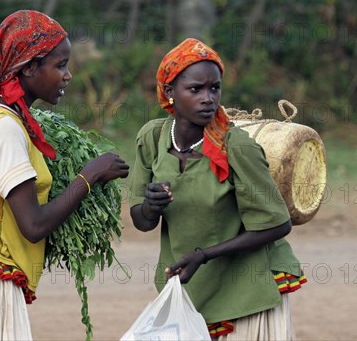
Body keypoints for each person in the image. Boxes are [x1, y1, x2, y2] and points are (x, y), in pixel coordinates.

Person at [0, 10, 129, 340]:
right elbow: (33, 226)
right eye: (60, 65)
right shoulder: (5, 129)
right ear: (29, 67)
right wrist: (88, 177)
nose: (68, 76)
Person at [128, 38, 306, 340]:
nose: (208, 98)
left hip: (248, 289)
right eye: (196, 89)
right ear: (170, 93)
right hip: (192, 287)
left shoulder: (236, 147)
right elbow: (142, 222)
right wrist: (150, 205)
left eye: (215, 89)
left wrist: (204, 255)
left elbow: (277, 224)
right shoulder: (152, 138)